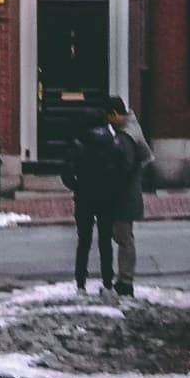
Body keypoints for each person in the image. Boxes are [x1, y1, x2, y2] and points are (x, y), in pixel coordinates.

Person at [98, 93, 154, 290]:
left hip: (124, 197)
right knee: (123, 236)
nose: (108, 122)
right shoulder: (131, 128)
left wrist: (109, 182)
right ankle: (124, 278)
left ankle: (125, 281)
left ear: (114, 114)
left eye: (108, 117)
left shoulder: (125, 136)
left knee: (124, 238)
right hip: (127, 195)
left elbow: (124, 168)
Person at [68, 112, 122, 293]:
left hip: (84, 197)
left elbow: (66, 172)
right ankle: (107, 282)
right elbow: (119, 169)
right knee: (105, 241)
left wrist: (77, 186)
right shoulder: (112, 143)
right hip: (106, 197)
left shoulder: (79, 144)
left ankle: (81, 283)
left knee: (84, 241)